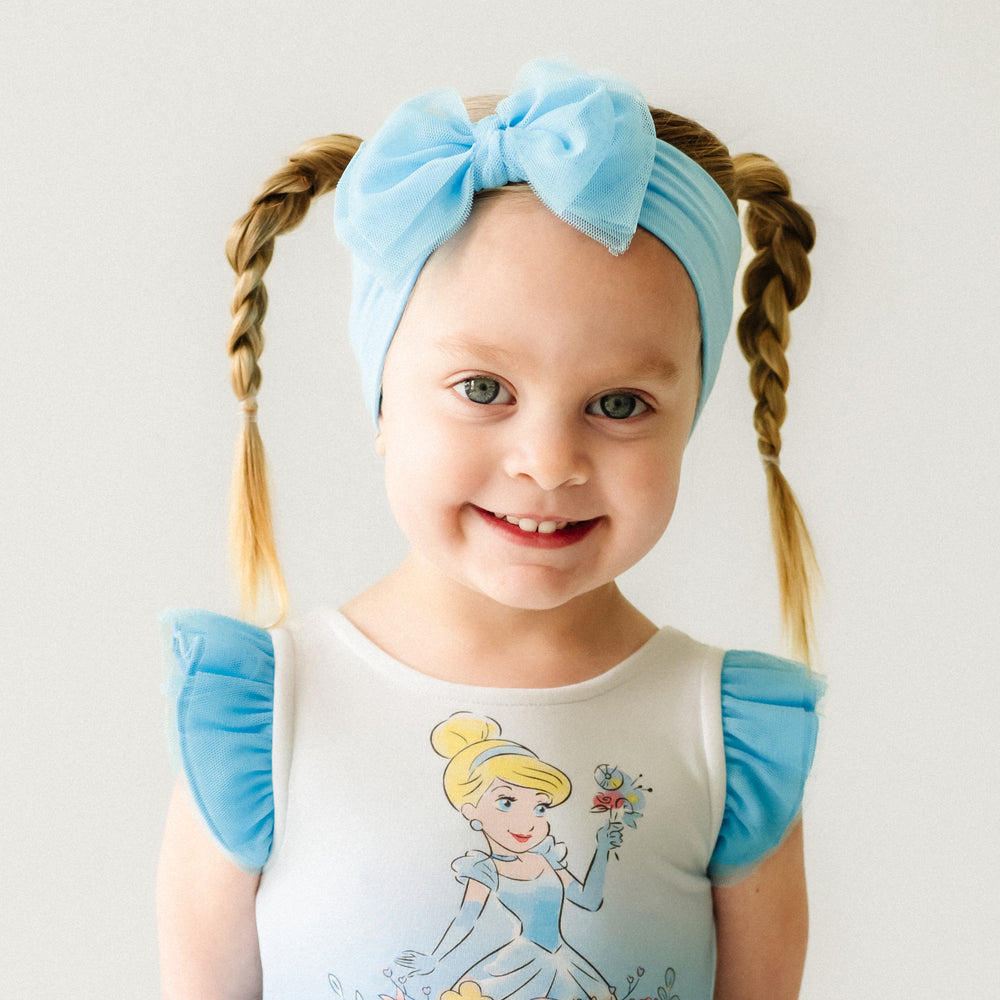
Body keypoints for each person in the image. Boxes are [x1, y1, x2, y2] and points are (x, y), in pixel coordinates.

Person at [157, 59, 825, 1000]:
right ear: (385, 401)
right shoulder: (267, 717)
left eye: (621, 402)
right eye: (483, 390)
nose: (548, 461)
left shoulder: (725, 736)